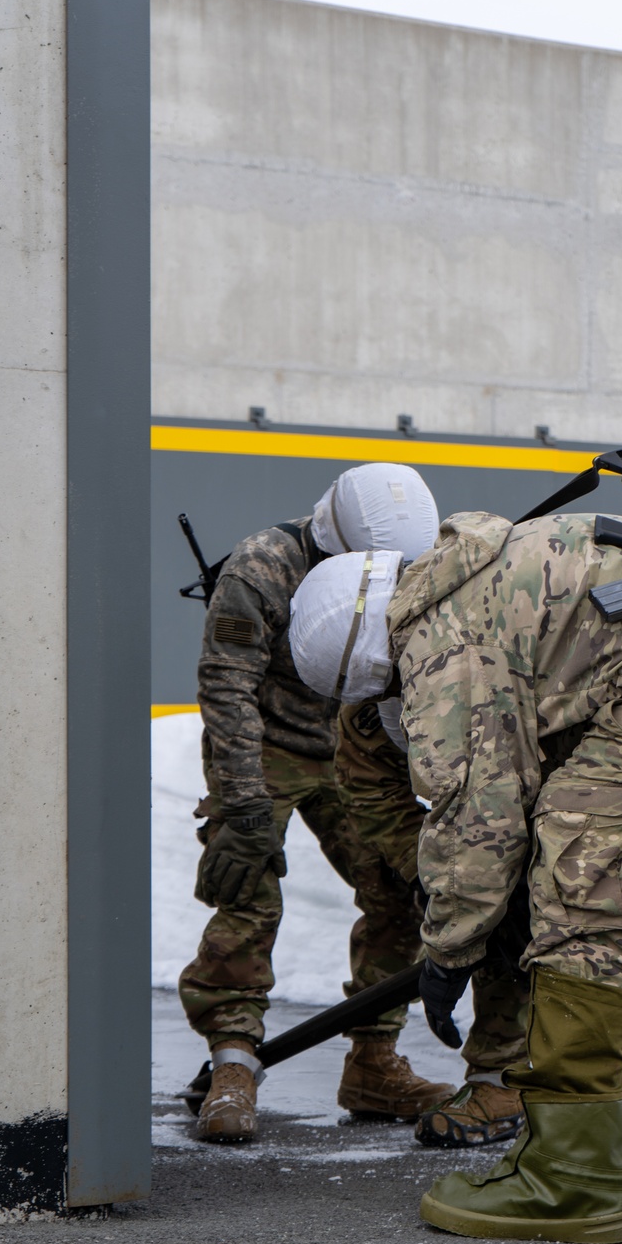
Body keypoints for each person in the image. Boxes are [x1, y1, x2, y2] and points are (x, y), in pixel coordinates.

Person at [288, 507, 622, 1243]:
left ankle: (572, 1181)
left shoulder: (437, 643)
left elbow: (480, 822)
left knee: (585, 914)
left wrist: (448, 953)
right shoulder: (478, 565)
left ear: (367, 657)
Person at [183, 463, 455, 1143]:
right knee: (247, 889)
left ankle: (374, 1061)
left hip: (350, 744)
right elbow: (227, 688)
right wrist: (243, 808)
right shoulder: (262, 567)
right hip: (263, 742)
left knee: (399, 885)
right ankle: (233, 1063)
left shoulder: (409, 564)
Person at [336, 699, 529, 1148]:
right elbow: (374, 792)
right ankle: (499, 1080)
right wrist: (429, 873)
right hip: (477, 802)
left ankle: (601, 1081)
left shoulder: (501, 671)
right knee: (488, 912)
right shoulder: (366, 705)